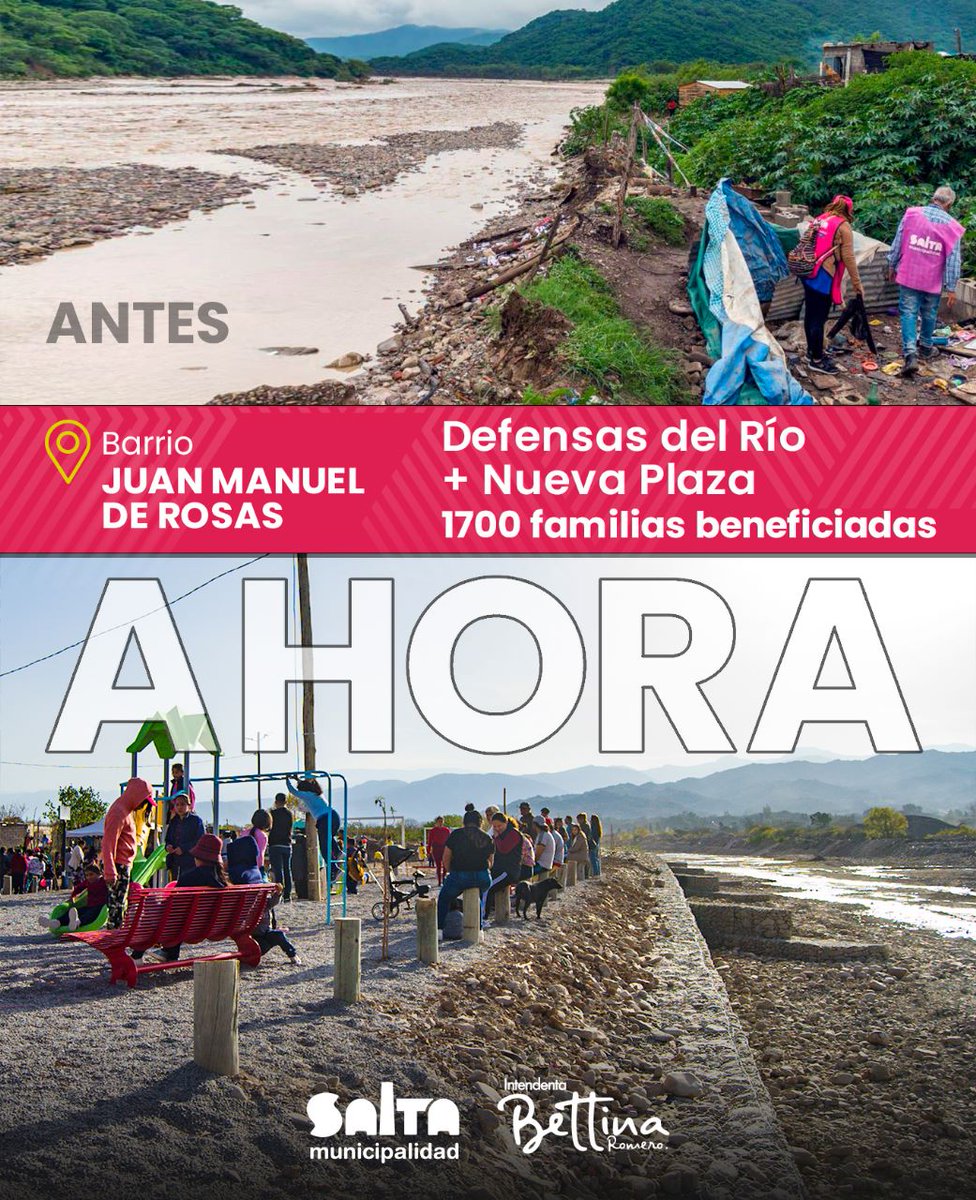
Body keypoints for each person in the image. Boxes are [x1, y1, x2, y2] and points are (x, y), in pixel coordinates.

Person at [888, 186, 966, 376]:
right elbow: (953, 259)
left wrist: (892, 265)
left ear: (933, 198)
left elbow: (898, 241)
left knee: (908, 313)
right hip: (933, 280)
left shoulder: (912, 214)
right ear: (949, 204)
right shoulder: (953, 227)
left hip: (909, 274)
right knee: (930, 313)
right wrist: (951, 287)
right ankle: (925, 347)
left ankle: (910, 355)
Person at [140, 834, 229, 964]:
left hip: (183, 927)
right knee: (179, 917)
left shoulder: (188, 878)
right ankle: (169, 952)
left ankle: (138, 954)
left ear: (198, 856)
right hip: (207, 926)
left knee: (153, 903)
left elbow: (172, 907)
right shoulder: (222, 882)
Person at [801, 195, 864, 374]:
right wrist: (857, 284)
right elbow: (849, 258)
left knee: (810, 315)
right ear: (848, 210)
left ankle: (811, 353)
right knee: (818, 320)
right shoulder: (843, 226)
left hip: (808, 272)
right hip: (824, 277)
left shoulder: (820, 219)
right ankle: (817, 360)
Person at [102, 777, 155, 928]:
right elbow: (108, 842)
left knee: (120, 906)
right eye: (144, 802)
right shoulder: (118, 812)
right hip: (118, 866)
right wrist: (110, 871)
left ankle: (118, 936)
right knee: (116, 907)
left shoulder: (125, 810)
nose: (143, 807)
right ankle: (115, 938)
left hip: (122, 864)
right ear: (136, 796)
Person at [436, 810, 493, 932]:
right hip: (482, 877)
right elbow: (490, 862)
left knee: (444, 898)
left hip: (459, 875)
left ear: (464, 822)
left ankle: (439, 929)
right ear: (480, 822)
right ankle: (479, 928)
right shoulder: (487, 837)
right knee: (479, 895)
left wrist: (451, 871)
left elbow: (446, 857)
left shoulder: (456, 835)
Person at [41, 863, 108, 932]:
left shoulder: (103, 881)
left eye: (91, 874)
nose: (89, 877)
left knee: (90, 915)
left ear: (99, 874)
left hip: (100, 907)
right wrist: (73, 897)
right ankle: (57, 922)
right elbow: (78, 888)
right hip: (89, 906)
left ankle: (78, 923)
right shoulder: (87, 882)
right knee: (78, 911)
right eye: (87, 875)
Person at [484, 812, 522, 916]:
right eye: (494, 826)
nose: (497, 828)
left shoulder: (514, 834)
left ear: (506, 823)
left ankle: (484, 916)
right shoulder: (501, 834)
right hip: (499, 869)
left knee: (488, 888)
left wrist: (496, 838)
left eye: (499, 826)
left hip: (508, 871)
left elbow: (504, 849)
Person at [164, 792, 204, 881]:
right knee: (174, 885)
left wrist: (184, 848)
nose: (179, 807)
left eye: (182, 804)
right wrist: (168, 846)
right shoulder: (174, 821)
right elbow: (168, 839)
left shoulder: (196, 821)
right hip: (174, 861)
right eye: (177, 805)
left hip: (190, 861)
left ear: (189, 806)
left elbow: (200, 840)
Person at [268, 793, 294, 902]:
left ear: (276, 801)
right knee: (287, 869)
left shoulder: (272, 814)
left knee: (278, 870)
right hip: (286, 844)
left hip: (275, 844)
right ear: (285, 801)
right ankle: (287, 894)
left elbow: (268, 827)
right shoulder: (289, 814)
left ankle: (279, 892)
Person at [426, 816, 451, 885]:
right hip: (436, 849)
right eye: (439, 821)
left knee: (445, 865)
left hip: (444, 848)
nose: (440, 823)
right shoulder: (433, 831)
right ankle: (439, 881)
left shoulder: (446, 830)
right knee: (438, 865)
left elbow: (450, 841)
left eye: (442, 821)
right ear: (436, 822)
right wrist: (428, 851)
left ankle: (444, 878)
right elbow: (430, 841)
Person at [588, 814, 603, 878]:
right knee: (596, 859)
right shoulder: (598, 828)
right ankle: (598, 872)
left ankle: (595, 873)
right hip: (596, 845)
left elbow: (592, 837)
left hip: (592, 845)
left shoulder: (593, 828)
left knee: (593, 859)